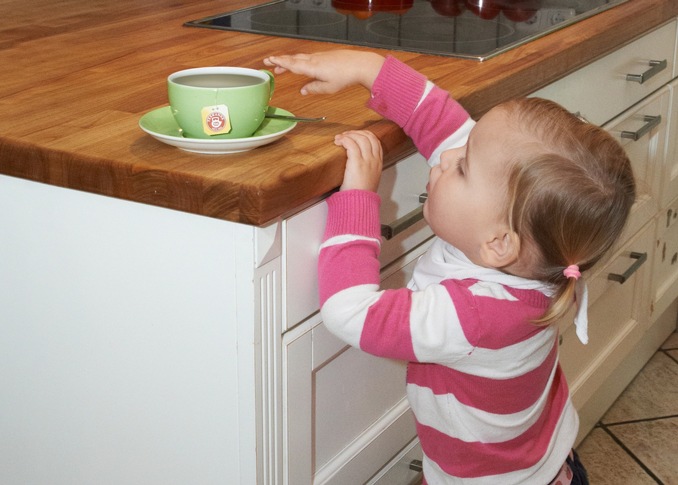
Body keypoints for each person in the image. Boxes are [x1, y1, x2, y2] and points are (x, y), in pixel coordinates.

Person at [264, 51, 635, 484]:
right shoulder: (534, 250)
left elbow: (349, 312)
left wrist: (358, 201)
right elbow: (445, 125)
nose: (445, 156)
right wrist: (365, 68)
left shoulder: (477, 316)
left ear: (498, 243)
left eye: (462, 168)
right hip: (543, 457)